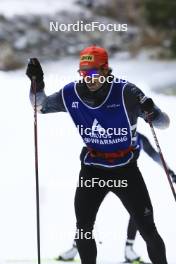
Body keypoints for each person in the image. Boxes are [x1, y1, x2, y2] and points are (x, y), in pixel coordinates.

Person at [26, 45, 170, 264]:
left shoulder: (126, 92)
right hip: (92, 170)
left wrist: (153, 112)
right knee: (83, 229)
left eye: (93, 73)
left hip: (126, 170)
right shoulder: (71, 92)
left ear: (105, 70)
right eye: (83, 73)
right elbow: (40, 106)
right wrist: (37, 83)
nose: (88, 79)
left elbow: (163, 124)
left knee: (148, 231)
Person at [57, 132, 176, 263]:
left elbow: (155, 155)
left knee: (140, 219)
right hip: (95, 174)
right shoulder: (105, 133)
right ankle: (75, 248)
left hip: (125, 176)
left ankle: (129, 249)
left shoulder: (140, 138)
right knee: (85, 221)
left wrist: (169, 171)